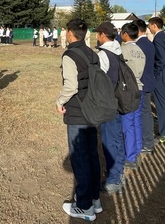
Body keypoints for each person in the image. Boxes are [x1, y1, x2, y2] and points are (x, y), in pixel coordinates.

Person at [58, 19, 102, 221]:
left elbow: (71, 86)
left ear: (70, 33)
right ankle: (95, 199)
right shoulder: (93, 54)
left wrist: (59, 101)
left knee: (80, 158)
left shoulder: (70, 55)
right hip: (93, 109)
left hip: (78, 111)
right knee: (92, 154)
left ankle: (84, 206)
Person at [94, 21, 126, 195]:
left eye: (98, 33)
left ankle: (113, 179)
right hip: (119, 100)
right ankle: (119, 172)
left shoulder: (103, 55)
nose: (96, 36)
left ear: (103, 35)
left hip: (108, 103)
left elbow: (100, 81)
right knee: (117, 139)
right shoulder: (118, 48)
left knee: (109, 141)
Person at [120, 22, 145, 170]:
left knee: (127, 123)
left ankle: (130, 157)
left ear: (125, 34)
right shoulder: (140, 50)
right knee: (136, 120)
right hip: (139, 88)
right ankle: (137, 149)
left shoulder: (124, 50)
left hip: (129, 89)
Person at [148, 17, 165, 144]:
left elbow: (162, 59)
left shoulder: (158, 38)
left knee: (162, 105)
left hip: (161, 76)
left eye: (149, 25)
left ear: (154, 25)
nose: (149, 28)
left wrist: (155, 73)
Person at [134, 19, 156, 154]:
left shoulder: (139, 45)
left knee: (143, 113)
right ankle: (148, 141)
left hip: (142, 82)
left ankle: (147, 142)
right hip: (148, 81)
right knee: (146, 112)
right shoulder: (149, 43)